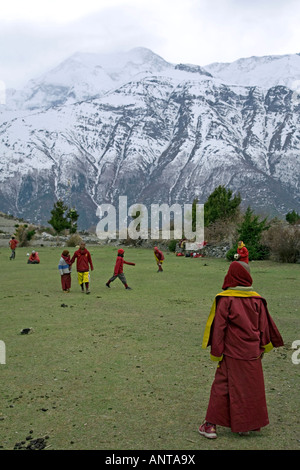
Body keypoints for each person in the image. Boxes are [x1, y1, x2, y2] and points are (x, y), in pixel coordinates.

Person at [199, 261, 284, 439]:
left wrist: (216, 352)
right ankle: (244, 425)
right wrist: (261, 348)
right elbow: (263, 327)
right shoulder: (257, 300)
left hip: (231, 352)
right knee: (250, 387)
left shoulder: (226, 299)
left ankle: (210, 426)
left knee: (222, 386)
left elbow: (220, 327)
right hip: (252, 352)